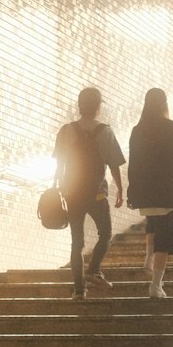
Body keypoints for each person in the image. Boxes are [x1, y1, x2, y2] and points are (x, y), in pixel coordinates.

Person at [53, 87, 125, 301]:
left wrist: (57, 185)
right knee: (106, 233)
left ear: (79, 105)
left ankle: (78, 291)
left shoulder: (66, 130)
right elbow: (114, 164)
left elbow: (59, 163)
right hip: (96, 193)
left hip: (72, 192)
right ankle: (93, 270)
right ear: (97, 106)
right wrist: (120, 189)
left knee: (77, 242)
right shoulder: (105, 131)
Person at [126, 88, 173, 299]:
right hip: (166, 193)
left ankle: (147, 259)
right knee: (165, 238)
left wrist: (132, 192)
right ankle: (156, 286)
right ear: (164, 105)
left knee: (152, 222)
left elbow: (133, 164)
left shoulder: (137, 130)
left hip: (145, 194)